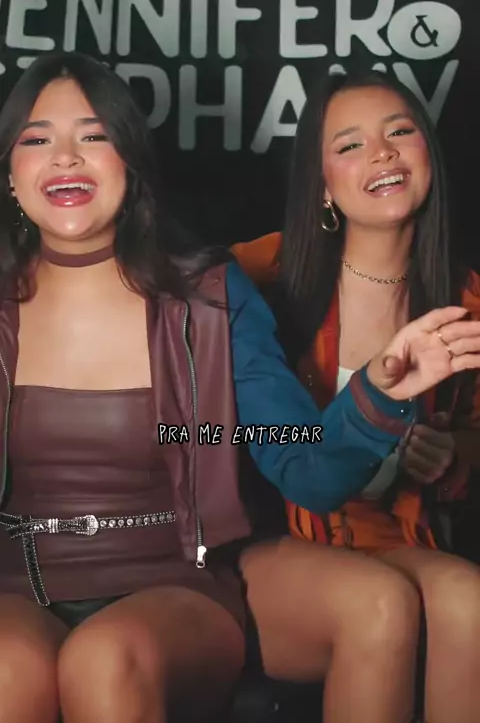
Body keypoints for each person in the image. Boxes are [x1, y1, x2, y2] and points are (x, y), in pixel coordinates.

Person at [0, 55, 478, 723]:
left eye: (94, 134)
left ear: (130, 161)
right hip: (18, 582)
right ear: (11, 173)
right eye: (37, 138)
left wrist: (379, 388)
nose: (66, 157)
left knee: (105, 658)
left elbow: (306, 467)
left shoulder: (210, 297)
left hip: (173, 581)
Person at [233, 70, 480, 723]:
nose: (382, 153)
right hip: (274, 544)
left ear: (429, 154)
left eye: (400, 132)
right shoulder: (258, 276)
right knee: (378, 600)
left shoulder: (468, 301)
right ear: (321, 183)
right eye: (350, 144)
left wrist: (454, 453)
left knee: (469, 599)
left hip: (394, 538)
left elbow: (476, 436)